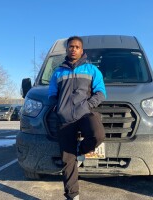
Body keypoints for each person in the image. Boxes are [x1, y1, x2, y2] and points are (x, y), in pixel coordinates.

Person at [48, 36, 106, 200]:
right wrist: (56, 108)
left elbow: (101, 93)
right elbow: (52, 94)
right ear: (67, 49)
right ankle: (72, 195)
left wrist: (88, 106)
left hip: (85, 113)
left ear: (82, 50)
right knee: (68, 158)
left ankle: (81, 150)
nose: (73, 49)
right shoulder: (58, 72)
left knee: (98, 134)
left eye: (77, 47)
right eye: (71, 47)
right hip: (65, 118)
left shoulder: (91, 70)